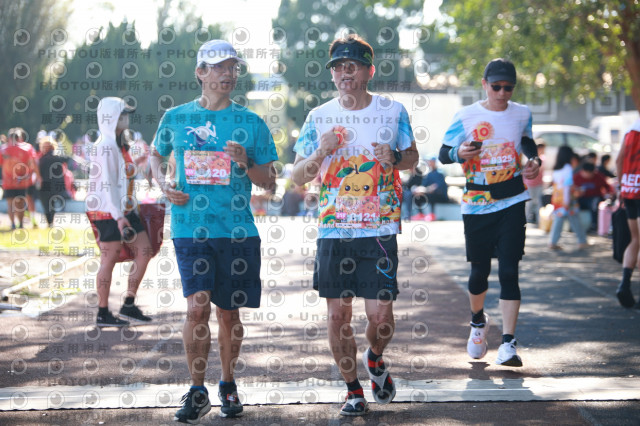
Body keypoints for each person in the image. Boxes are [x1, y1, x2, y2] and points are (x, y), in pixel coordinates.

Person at [149, 39, 277, 423]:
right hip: (190, 227)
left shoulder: (252, 123)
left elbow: (269, 182)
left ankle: (228, 384)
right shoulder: (176, 117)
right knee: (197, 306)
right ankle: (197, 389)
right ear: (200, 73)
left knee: (229, 314)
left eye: (233, 67)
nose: (228, 73)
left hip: (236, 231)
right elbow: (155, 155)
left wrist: (246, 161)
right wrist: (163, 183)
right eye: (219, 67)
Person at [292, 34, 418, 416]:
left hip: (378, 230)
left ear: (369, 71)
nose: (344, 73)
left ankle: (375, 357)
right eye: (338, 67)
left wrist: (394, 156)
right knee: (337, 316)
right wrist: (321, 151)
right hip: (335, 231)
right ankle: (353, 391)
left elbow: (412, 157)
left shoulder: (392, 111)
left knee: (381, 318)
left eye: (352, 65)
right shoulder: (318, 117)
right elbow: (297, 175)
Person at [439, 58, 541, 368]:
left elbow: (526, 140)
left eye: (508, 88)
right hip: (477, 202)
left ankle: (508, 343)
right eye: (496, 87)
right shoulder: (466, 115)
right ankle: (477, 322)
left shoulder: (522, 113)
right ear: (484, 85)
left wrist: (533, 160)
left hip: (512, 198)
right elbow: (443, 153)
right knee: (479, 271)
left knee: (509, 270)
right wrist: (459, 152)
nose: (502, 93)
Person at [87, 97, 153, 328]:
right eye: (122, 114)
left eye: (126, 114)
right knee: (109, 258)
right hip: (107, 210)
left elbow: (123, 178)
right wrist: (118, 216)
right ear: (110, 116)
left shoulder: (119, 144)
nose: (126, 118)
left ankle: (129, 303)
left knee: (144, 251)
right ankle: (103, 312)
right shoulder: (104, 146)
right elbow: (107, 184)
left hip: (125, 209)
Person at [615, 117, 640, 309]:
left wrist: (620, 186)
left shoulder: (631, 128)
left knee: (636, 239)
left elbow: (618, 160)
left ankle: (624, 284)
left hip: (630, 189)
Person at [548, 146, 588, 250]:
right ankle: (582, 241)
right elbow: (567, 186)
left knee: (559, 221)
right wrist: (567, 200)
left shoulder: (556, 169)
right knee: (575, 220)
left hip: (557, 199)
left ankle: (553, 242)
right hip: (568, 199)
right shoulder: (568, 168)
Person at [0, 128, 40, 229]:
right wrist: (38, 176)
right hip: (22, 181)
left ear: (9, 137)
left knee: (10, 204)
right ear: (20, 137)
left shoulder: (3, 149)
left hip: (8, 181)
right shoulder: (27, 148)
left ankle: (13, 224)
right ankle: (21, 224)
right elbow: (33, 163)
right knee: (20, 203)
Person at [37, 136, 73, 227]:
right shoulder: (58, 157)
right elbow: (68, 158)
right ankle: (51, 222)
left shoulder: (41, 159)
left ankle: (50, 222)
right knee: (52, 203)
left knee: (46, 204)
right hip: (56, 185)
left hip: (45, 185)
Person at [573, 161, 613, 232]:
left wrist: (609, 194)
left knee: (594, 203)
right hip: (580, 198)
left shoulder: (598, 176)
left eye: (590, 173)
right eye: (586, 173)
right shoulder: (576, 177)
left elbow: (607, 187)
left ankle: (594, 225)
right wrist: (576, 193)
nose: (588, 175)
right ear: (582, 171)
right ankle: (574, 226)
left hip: (594, 198)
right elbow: (571, 190)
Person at [523, 142, 545, 223]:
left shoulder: (541, 158)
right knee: (530, 203)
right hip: (530, 183)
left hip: (538, 183)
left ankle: (538, 220)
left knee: (538, 202)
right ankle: (526, 219)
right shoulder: (530, 158)